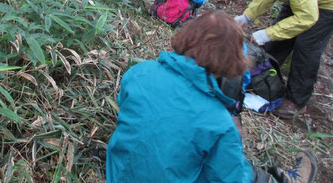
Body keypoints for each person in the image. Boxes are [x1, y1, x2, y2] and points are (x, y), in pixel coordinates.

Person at [106, 11, 317, 183]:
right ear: (232, 63)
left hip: (118, 173)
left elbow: (130, 109)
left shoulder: (140, 72)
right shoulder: (218, 122)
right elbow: (232, 178)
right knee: (231, 168)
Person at [223, 0, 333, 119]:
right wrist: (246, 17)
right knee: (278, 39)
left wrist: (267, 33)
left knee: (306, 47)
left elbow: (307, 16)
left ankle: (297, 100)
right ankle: (264, 78)